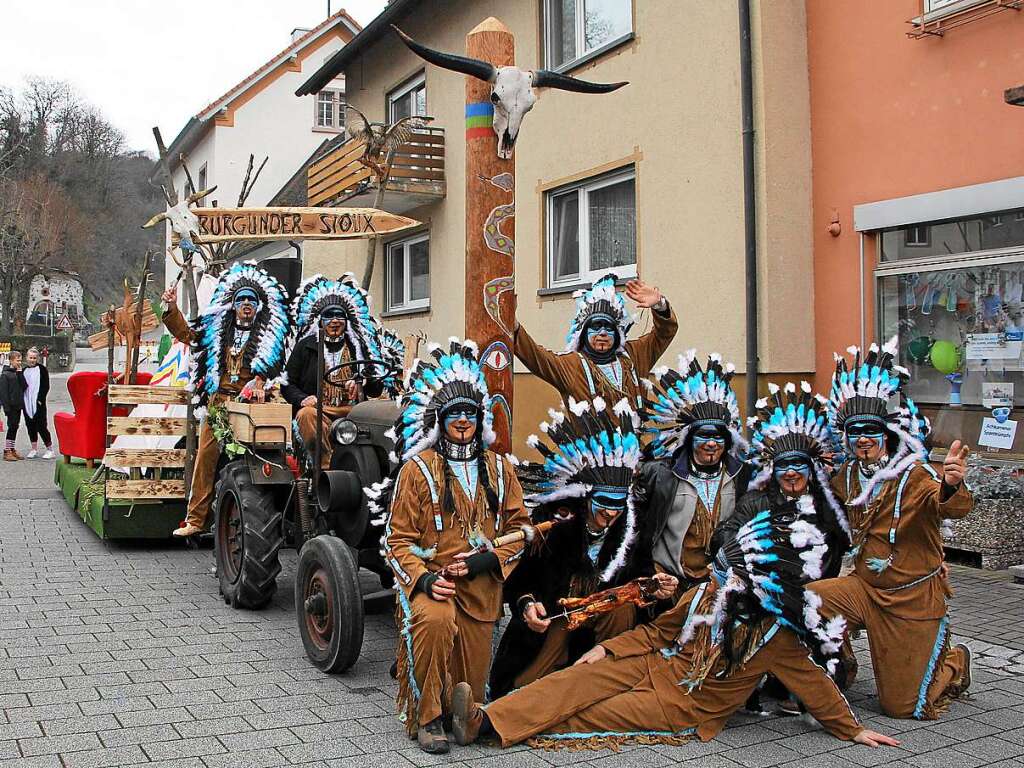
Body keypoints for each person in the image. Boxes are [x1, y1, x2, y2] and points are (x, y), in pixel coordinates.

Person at [446, 481, 898, 752]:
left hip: (685, 702)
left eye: (729, 574)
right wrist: (607, 648)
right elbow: (657, 632)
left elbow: (814, 681)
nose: (719, 580)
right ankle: (484, 715)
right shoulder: (706, 593)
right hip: (654, 662)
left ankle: (489, 726)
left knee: (595, 712)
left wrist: (852, 730)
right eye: (720, 571)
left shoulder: (774, 632)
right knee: (574, 681)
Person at [379, 338, 530, 754]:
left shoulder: (500, 468)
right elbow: (396, 540)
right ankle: (427, 717)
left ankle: (464, 712)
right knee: (434, 622)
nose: (462, 420)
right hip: (433, 583)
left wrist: (485, 561)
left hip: (481, 587)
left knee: (470, 688)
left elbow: (522, 531)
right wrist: (424, 581)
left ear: (479, 420)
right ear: (440, 420)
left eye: (469, 413)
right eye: (454, 414)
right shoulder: (417, 469)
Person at [810, 339, 974, 720]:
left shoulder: (914, 475)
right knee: (804, 603)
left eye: (871, 430)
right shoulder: (846, 475)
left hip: (911, 598)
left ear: (887, 433)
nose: (863, 439)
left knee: (900, 708)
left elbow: (947, 505)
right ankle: (840, 660)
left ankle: (954, 663)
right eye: (854, 432)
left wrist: (951, 483)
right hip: (864, 589)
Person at [489, 397, 675, 699]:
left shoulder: (632, 531)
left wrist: (655, 589)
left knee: (623, 609)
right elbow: (521, 581)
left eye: (618, 506)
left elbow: (641, 578)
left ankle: (603, 682)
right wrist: (527, 606)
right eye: (604, 504)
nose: (611, 514)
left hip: (605, 624)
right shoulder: (554, 527)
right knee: (523, 689)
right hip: (557, 617)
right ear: (587, 498)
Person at [160, 262, 290, 537]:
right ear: (232, 304)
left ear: (257, 306)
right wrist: (172, 309)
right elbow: (187, 335)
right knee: (206, 457)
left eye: (251, 301)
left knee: (261, 456)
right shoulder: (218, 330)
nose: (245, 305)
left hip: (252, 407)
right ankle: (196, 520)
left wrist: (261, 382)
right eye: (241, 300)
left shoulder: (270, 337)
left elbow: (279, 369)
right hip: (220, 404)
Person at [639, 353, 753, 603]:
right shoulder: (661, 474)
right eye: (703, 436)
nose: (711, 444)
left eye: (719, 437)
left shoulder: (742, 476)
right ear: (689, 439)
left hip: (722, 581)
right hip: (670, 582)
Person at [512, 274, 677, 421]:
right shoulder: (571, 366)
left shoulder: (634, 356)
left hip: (635, 452)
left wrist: (660, 305)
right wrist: (513, 325)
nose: (603, 332)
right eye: (596, 326)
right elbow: (535, 356)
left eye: (609, 327)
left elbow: (664, 334)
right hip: (592, 454)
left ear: (618, 333)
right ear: (584, 333)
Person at [282, 274, 389, 467]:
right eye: (329, 316)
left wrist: (361, 380)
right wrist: (302, 398)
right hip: (318, 410)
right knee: (306, 414)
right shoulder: (305, 346)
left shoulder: (359, 347)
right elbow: (287, 384)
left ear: (347, 321)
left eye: (340, 315)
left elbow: (376, 389)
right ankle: (324, 470)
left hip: (353, 411)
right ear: (320, 320)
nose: (335, 321)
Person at [22, 347, 53, 459]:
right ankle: (33, 448)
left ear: (37, 359)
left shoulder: (42, 369)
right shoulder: (24, 370)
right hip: (27, 402)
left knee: (41, 426)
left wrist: (40, 399)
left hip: (38, 403)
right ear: (27, 358)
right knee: (30, 425)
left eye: (34, 358)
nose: (32, 360)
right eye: (30, 358)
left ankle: (49, 449)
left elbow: (46, 385)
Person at [0, 350, 26, 461]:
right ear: (11, 360)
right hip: (10, 406)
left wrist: (20, 373)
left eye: (20, 360)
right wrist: (6, 408)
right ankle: (7, 450)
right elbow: (3, 393)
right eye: (17, 360)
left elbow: (24, 386)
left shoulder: (18, 372)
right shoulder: (5, 375)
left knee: (15, 426)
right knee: (12, 427)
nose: (19, 362)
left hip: (18, 405)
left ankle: (11, 448)